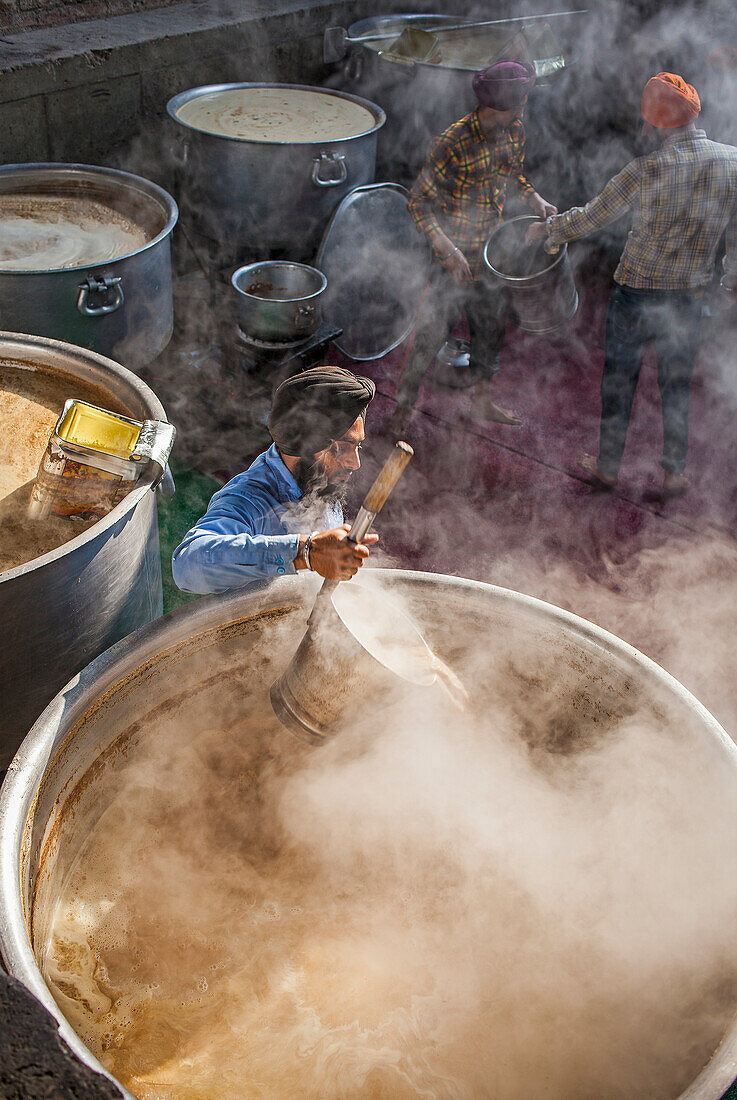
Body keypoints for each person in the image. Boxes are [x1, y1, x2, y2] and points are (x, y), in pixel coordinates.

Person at [527, 71, 737, 495]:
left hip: (636, 294)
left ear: (655, 123)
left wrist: (548, 230)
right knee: (676, 385)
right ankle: (675, 472)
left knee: (619, 382)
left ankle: (607, 469)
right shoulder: (733, 161)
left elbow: (591, 216)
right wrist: (730, 280)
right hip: (690, 295)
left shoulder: (645, 169)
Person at [389, 57, 558, 436]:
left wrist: (536, 200)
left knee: (490, 328)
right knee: (431, 335)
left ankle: (482, 401)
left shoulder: (515, 130)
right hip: (454, 255)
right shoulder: (452, 141)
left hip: (490, 253)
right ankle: (403, 407)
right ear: (502, 103)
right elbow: (418, 203)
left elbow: (513, 175)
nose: (525, 106)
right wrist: (448, 252)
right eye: (523, 99)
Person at [172, 367, 378, 594]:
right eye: (341, 448)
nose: (354, 462)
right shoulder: (249, 497)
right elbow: (187, 566)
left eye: (357, 446)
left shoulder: (319, 482)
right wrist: (306, 552)